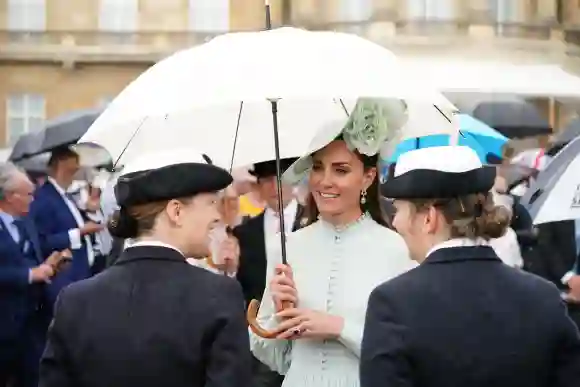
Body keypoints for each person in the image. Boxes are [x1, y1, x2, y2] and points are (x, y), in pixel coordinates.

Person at [360, 145, 580, 387]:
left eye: (399, 209)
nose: (395, 222)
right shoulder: (543, 296)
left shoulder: (393, 303)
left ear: (428, 218)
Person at [39, 150, 252, 387]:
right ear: (176, 211)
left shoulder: (74, 300)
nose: (216, 216)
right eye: (211, 203)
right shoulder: (219, 295)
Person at [250, 133, 414, 387]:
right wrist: (280, 317)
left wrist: (339, 327)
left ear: (368, 178)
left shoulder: (396, 249)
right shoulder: (285, 246)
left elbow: (406, 351)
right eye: (317, 168)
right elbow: (277, 359)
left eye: (341, 170)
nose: (325, 181)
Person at [233, 157, 304, 387]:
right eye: (267, 180)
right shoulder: (243, 232)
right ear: (259, 185)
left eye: (281, 179)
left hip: (305, 333)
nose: (275, 187)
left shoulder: (313, 222)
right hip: (260, 335)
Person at [0, 163, 68, 387]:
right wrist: (29, 275)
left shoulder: (27, 222)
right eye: (28, 194)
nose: (33, 199)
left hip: (33, 321)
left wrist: (51, 265)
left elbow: (34, 257)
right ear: (10, 196)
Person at [29, 147, 104, 305]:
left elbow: (74, 222)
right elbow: (43, 241)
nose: (77, 170)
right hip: (64, 280)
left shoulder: (65, 196)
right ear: (61, 164)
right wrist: (80, 232)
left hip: (82, 274)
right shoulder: (44, 199)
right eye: (74, 166)